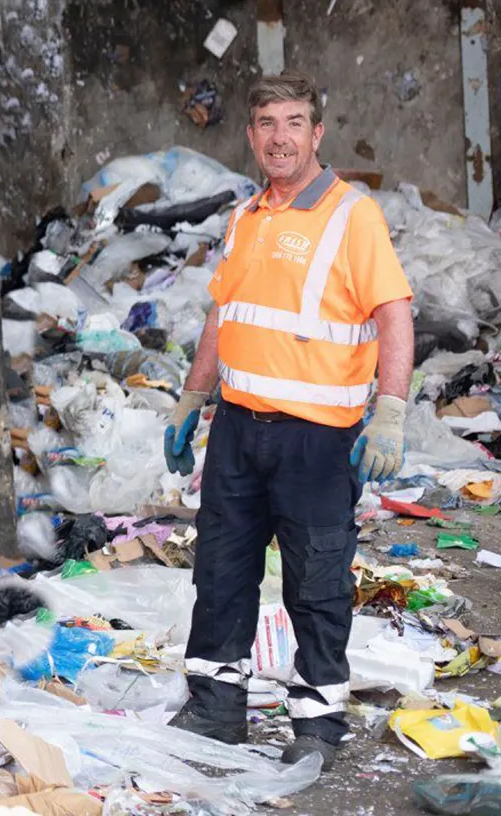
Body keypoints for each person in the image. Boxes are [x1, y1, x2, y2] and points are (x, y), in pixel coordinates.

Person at [164, 71, 413, 771]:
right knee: (221, 570)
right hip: (240, 431)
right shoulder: (246, 218)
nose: (280, 137)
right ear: (251, 136)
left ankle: (317, 722)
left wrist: (389, 410)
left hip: (316, 438)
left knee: (318, 579)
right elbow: (223, 314)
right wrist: (192, 399)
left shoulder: (349, 214)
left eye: (295, 122)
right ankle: (215, 706)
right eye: (268, 123)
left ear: (317, 134)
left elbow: (393, 311)